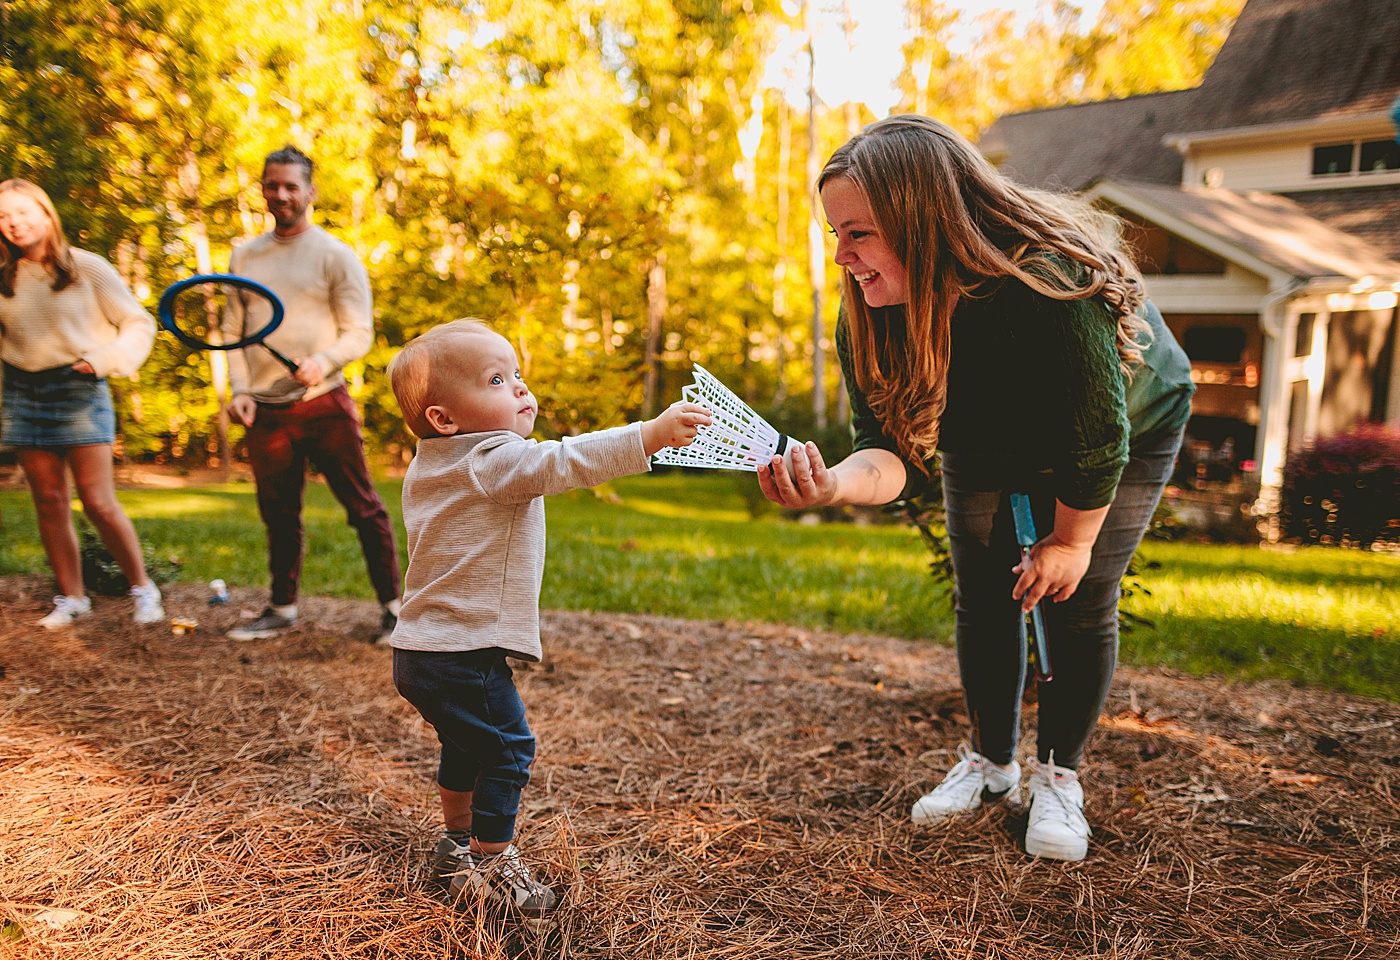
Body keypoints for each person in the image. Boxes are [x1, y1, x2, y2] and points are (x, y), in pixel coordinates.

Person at [759, 115, 1194, 862]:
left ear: (921, 219)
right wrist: (831, 485)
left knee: (1075, 596)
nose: (841, 256)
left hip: (1122, 429)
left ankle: (1058, 776)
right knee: (984, 592)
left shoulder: (1047, 285)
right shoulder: (868, 309)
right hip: (987, 435)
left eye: (857, 233)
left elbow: (1095, 443)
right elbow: (886, 453)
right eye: (836, 233)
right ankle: (992, 767)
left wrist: (1069, 543)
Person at [385, 319, 709, 918]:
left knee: (464, 749)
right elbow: (565, 462)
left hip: (419, 652)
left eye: (518, 375)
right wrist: (650, 436)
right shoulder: (490, 458)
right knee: (509, 750)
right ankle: (492, 864)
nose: (521, 390)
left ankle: (456, 842)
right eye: (497, 379)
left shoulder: (431, 465)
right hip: (464, 652)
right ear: (444, 419)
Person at [222, 145, 402, 644]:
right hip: (265, 408)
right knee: (278, 513)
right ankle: (282, 608)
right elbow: (233, 329)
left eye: (291, 186)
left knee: (363, 508)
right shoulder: (244, 255)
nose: (280, 194)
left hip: (323, 403)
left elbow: (358, 332)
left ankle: (394, 608)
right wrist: (240, 390)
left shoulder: (336, 255)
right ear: (262, 188)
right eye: (272, 185)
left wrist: (323, 361)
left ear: (310, 192)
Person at [0, 179, 167, 628]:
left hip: (78, 387)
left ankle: (143, 589)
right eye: (3, 216)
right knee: (49, 500)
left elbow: (137, 322)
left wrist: (104, 360)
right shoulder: (3, 277)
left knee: (98, 501)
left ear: (45, 212)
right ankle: (72, 597)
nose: (14, 223)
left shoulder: (86, 268)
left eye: (22, 211)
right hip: (21, 392)